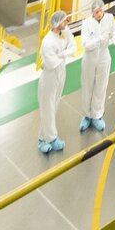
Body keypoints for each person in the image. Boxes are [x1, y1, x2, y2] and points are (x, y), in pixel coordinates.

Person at [78, 0, 115, 133]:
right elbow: (85, 44)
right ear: (92, 12)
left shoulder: (109, 18)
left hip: (103, 56)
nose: (99, 14)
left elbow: (114, 30)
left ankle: (97, 115)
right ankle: (86, 115)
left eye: (101, 11)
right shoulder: (86, 23)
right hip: (90, 59)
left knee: (101, 87)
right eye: (96, 12)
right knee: (88, 87)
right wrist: (99, 40)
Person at [35, 10, 77, 157]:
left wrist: (63, 53)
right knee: (48, 108)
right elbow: (51, 63)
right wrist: (65, 53)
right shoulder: (47, 41)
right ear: (56, 23)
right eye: (64, 21)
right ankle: (50, 138)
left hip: (60, 73)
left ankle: (43, 138)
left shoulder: (64, 34)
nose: (66, 23)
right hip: (49, 77)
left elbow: (74, 48)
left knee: (54, 107)